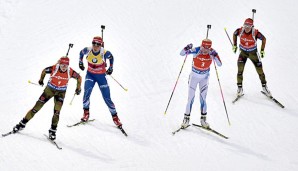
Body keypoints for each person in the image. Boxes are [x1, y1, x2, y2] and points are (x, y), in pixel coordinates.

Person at [12, 57, 82, 140]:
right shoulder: (54, 68)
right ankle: (22, 123)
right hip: (49, 90)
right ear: (59, 64)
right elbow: (44, 71)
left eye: (66, 66)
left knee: (57, 112)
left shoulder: (70, 71)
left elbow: (79, 78)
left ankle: (53, 130)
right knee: (36, 108)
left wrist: (78, 88)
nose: (64, 67)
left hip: (60, 93)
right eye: (62, 65)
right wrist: (41, 80)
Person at [78, 36, 122, 127]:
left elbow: (111, 57)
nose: (96, 46)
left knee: (107, 98)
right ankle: (86, 113)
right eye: (94, 43)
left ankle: (115, 117)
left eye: (98, 44)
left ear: (101, 45)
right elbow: (81, 53)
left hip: (101, 77)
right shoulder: (88, 50)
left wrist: (111, 68)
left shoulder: (104, 52)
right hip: (90, 75)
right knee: (86, 93)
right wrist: (80, 62)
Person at [180, 39, 222, 128]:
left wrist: (216, 55)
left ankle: (203, 120)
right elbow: (182, 53)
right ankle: (186, 119)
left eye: (208, 48)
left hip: (204, 78)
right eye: (204, 47)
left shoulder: (212, 53)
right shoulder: (196, 50)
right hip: (194, 78)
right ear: (201, 46)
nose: (205, 50)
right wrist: (187, 48)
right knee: (190, 98)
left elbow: (219, 64)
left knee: (203, 98)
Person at [232, 18, 271, 96]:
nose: (246, 27)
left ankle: (264, 86)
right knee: (240, 70)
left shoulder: (255, 33)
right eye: (245, 25)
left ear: (252, 26)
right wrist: (235, 45)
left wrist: (262, 50)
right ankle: (239, 88)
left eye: (249, 26)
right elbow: (234, 34)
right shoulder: (240, 30)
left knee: (260, 70)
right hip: (243, 53)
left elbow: (264, 39)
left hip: (253, 53)